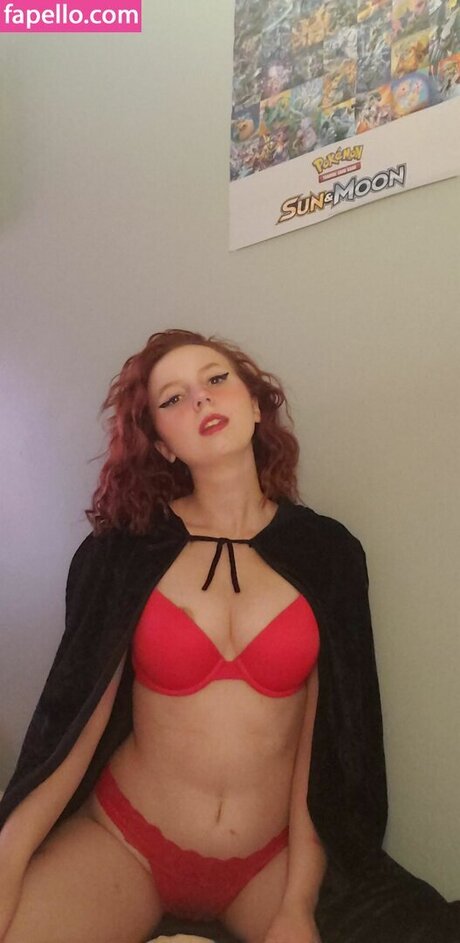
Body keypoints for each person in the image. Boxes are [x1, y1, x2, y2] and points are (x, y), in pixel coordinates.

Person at [2, 328, 451, 943]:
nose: (201, 400)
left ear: (255, 405)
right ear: (162, 444)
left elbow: (328, 741)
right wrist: (7, 856)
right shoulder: (121, 555)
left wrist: (297, 905)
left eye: (216, 379)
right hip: (124, 842)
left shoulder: (327, 554)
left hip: (271, 861)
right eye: (173, 398)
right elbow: (70, 724)